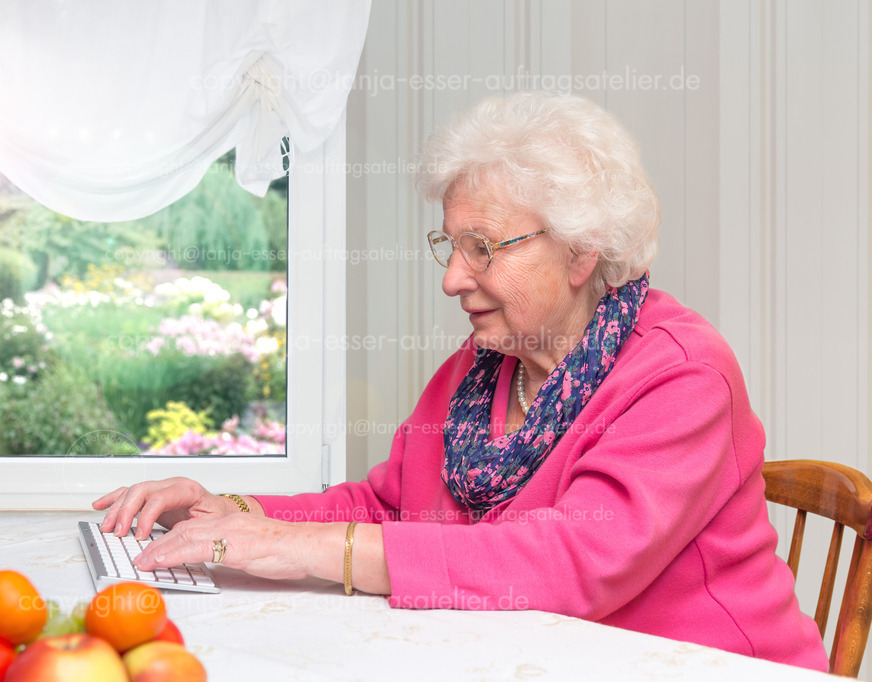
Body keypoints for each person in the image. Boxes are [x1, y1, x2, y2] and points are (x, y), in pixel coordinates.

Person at [93, 92, 829, 671]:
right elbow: (386, 505)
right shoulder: (477, 374)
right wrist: (228, 510)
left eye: (483, 248)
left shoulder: (681, 375)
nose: (452, 279)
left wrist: (291, 548)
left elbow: (571, 561)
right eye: (450, 245)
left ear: (580, 252)